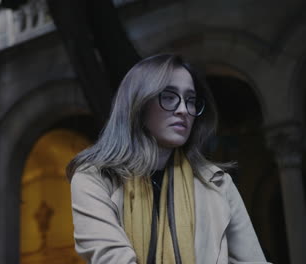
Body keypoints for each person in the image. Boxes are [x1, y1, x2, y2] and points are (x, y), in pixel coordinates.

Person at [67, 54, 269, 264]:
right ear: (139, 103)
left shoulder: (218, 184)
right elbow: (113, 259)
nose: (183, 110)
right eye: (169, 97)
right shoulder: (94, 178)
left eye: (190, 100)